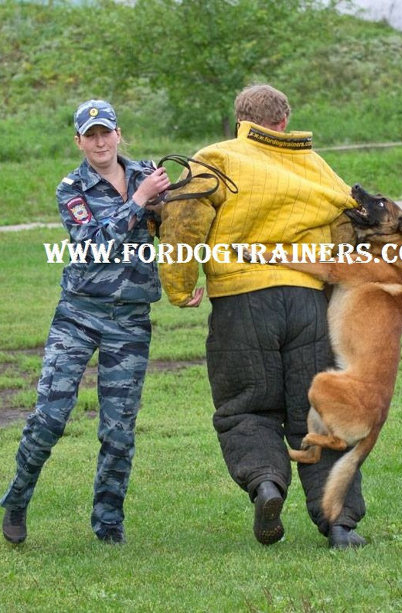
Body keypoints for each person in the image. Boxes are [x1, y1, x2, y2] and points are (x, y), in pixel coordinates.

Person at [159, 84, 366, 549]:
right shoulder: (316, 166)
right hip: (307, 301)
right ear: (283, 123)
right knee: (320, 414)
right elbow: (348, 228)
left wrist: (177, 286)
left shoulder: (217, 157)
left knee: (246, 407)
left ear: (241, 122)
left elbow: (184, 219)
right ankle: (339, 524)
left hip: (241, 301)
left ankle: (266, 484)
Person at [1, 99, 170, 545]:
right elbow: (92, 243)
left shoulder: (147, 176)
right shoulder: (71, 188)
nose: (99, 141)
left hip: (131, 320)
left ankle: (109, 524)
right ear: (79, 141)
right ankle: (17, 498)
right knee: (51, 417)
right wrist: (140, 200)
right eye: (90, 135)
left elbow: (176, 231)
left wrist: (180, 277)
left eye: (106, 132)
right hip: (79, 316)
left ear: (118, 134)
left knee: (118, 429)